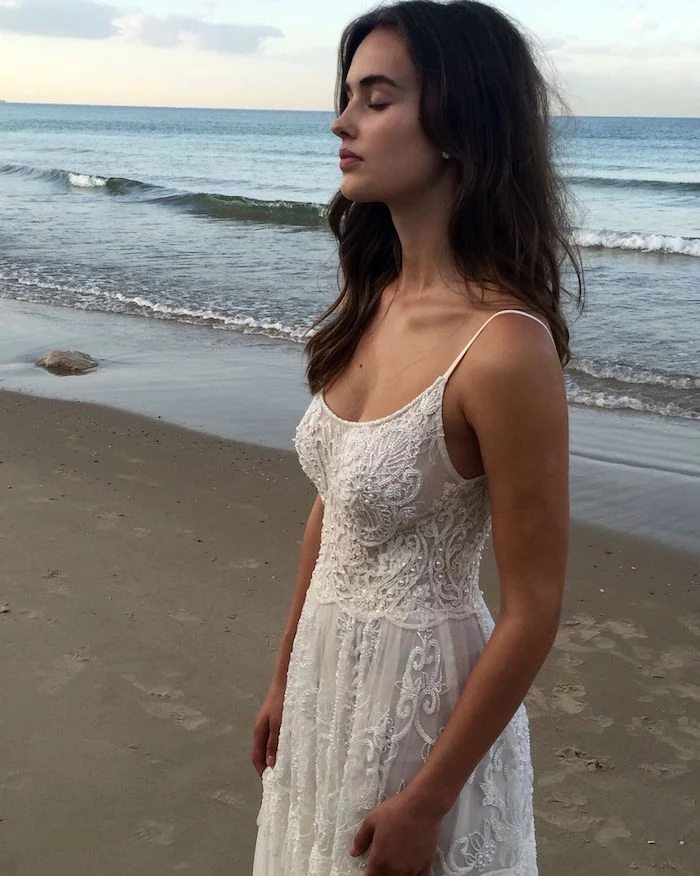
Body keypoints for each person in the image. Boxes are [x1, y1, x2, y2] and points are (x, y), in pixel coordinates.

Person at [251, 1, 584, 873]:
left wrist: (428, 800)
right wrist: (286, 676)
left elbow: (534, 608)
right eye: (348, 94)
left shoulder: (505, 348)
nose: (342, 119)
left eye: (377, 97)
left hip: (426, 708)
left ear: (460, 126)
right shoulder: (372, 304)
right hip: (327, 682)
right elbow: (331, 514)